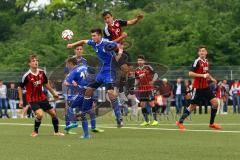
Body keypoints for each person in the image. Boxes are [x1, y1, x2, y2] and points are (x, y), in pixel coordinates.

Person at [67, 28, 123, 128]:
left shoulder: (106, 43)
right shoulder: (93, 43)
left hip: (109, 72)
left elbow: (116, 45)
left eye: (94, 36)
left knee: (110, 93)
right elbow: (83, 41)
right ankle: (84, 112)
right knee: (88, 90)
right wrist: (72, 45)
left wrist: (120, 49)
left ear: (99, 36)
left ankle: (119, 118)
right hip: (101, 72)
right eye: (92, 36)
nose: (92, 38)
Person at [176, 46, 221, 130]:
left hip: (206, 88)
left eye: (203, 51)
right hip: (198, 88)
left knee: (215, 103)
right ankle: (180, 122)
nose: (201, 52)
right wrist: (202, 75)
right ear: (198, 53)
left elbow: (206, 73)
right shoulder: (197, 61)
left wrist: (212, 78)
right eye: (200, 51)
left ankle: (211, 124)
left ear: (206, 52)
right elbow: (190, 73)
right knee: (192, 107)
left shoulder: (206, 61)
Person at [18, 54, 64, 137]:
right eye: (33, 61)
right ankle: (35, 132)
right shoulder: (27, 76)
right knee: (40, 114)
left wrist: (54, 93)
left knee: (53, 114)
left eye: (37, 60)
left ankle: (56, 132)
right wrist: (21, 100)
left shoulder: (42, 73)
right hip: (32, 99)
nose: (36, 62)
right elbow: (20, 88)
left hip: (42, 98)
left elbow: (46, 84)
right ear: (29, 63)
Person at [102, 11, 144, 100]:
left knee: (130, 72)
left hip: (122, 50)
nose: (107, 20)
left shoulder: (118, 22)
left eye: (108, 17)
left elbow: (130, 22)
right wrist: (122, 37)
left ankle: (126, 91)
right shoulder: (106, 30)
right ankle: (122, 91)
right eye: (105, 19)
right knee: (126, 70)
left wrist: (137, 19)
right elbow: (111, 43)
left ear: (112, 17)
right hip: (115, 52)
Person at [64, 57, 104, 139]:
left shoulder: (74, 71)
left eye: (67, 64)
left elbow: (66, 83)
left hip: (82, 92)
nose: (66, 66)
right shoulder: (85, 67)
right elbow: (94, 73)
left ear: (71, 63)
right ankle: (86, 135)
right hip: (90, 92)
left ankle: (74, 122)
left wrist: (73, 84)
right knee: (83, 114)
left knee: (70, 107)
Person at [134, 55, 158, 126]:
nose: (139, 61)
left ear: (144, 61)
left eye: (141, 60)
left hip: (149, 88)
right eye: (138, 60)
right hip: (142, 89)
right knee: (142, 104)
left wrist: (153, 81)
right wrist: (135, 86)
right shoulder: (137, 70)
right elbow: (137, 79)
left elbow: (156, 74)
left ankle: (155, 120)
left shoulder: (148, 67)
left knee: (151, 103)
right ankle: (146, 121)